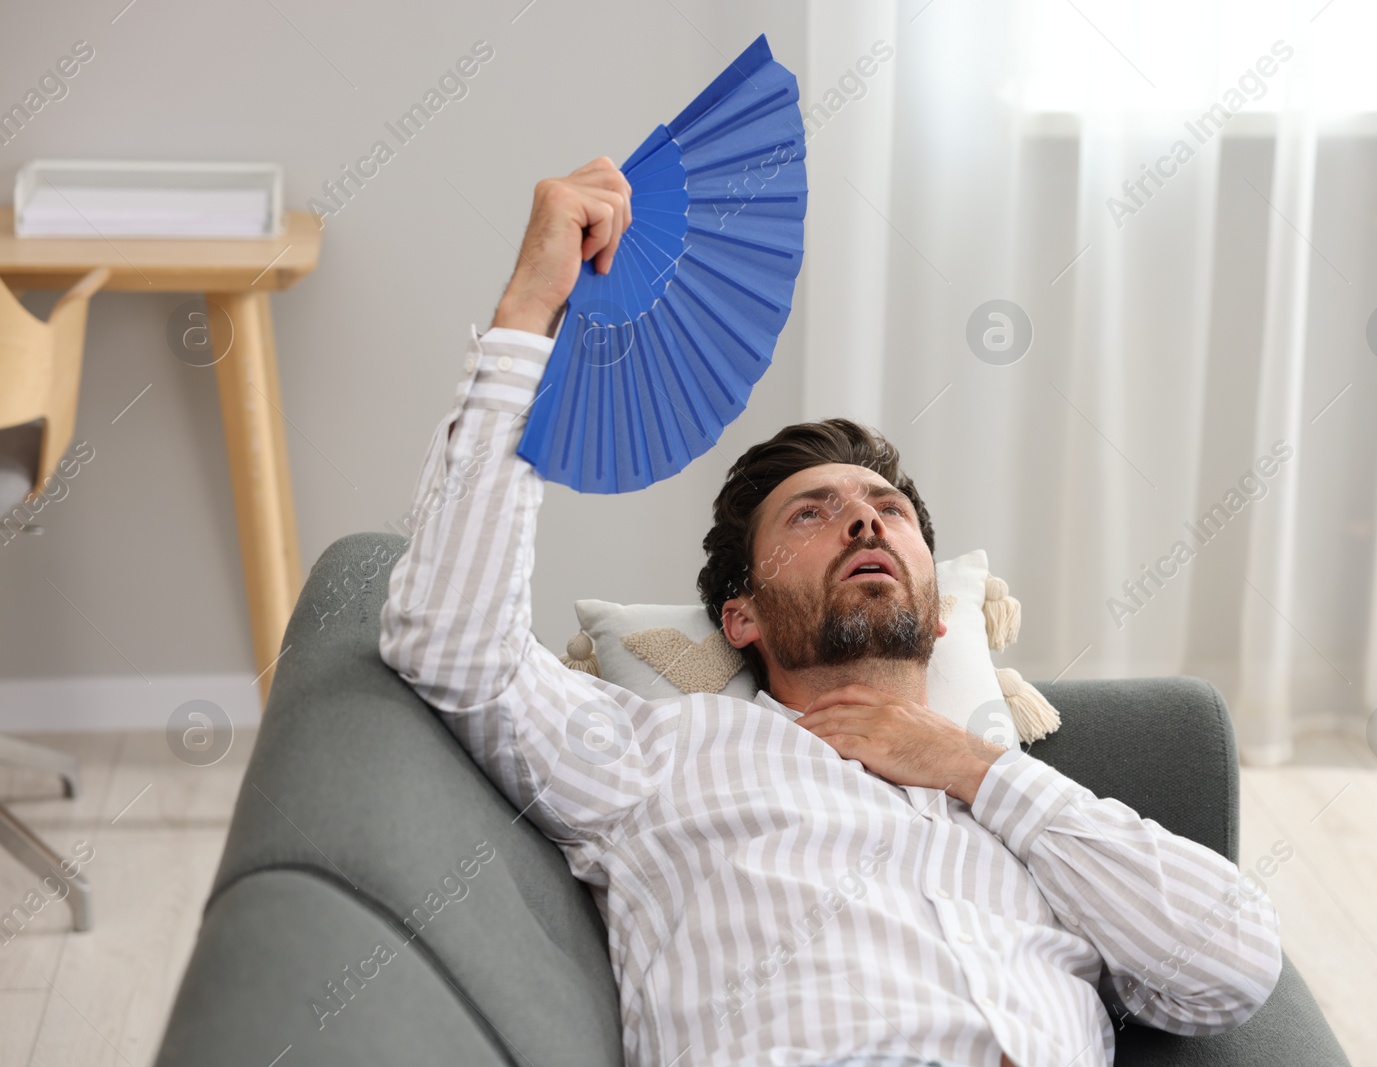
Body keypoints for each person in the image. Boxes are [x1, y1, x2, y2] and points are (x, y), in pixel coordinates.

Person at [378, 156, 1282, 1067]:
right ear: (742, 620)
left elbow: (1232, 964)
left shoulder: (1030, 815)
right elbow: (451, 643)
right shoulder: (664, 755)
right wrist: (533, 308)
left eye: (886, 510)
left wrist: (971, 768)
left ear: (940, 617)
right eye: (811, 513)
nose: (861, 517)